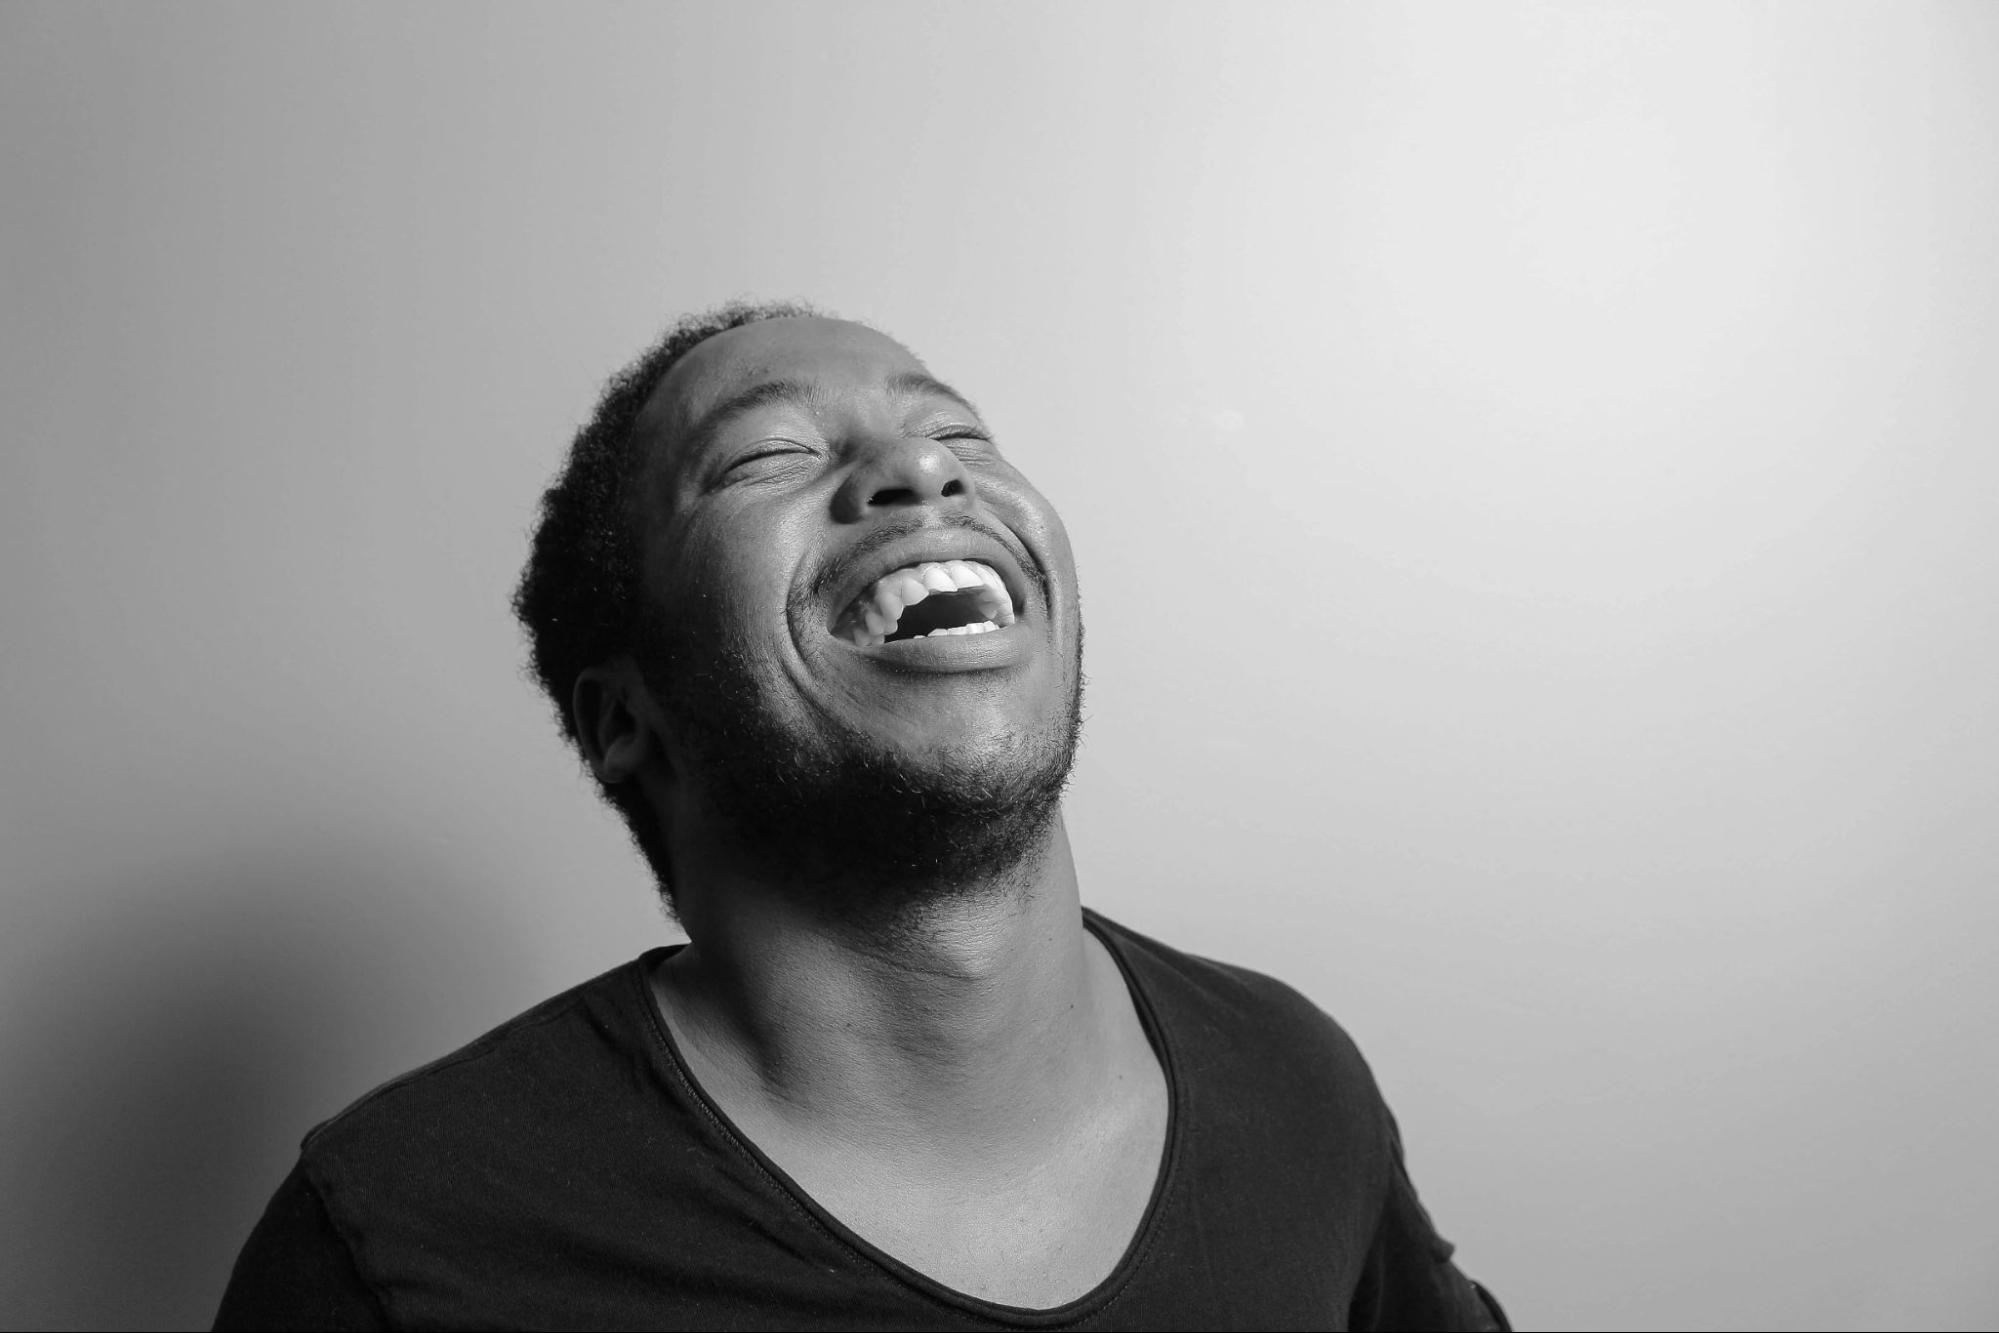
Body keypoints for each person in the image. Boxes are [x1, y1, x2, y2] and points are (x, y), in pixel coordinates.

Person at [214, 302, 1509, 1331]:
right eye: (770, 454)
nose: (919, 466)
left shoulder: (1297, 1085)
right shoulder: (398, 1235)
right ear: (629, 718)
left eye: (957, 429)